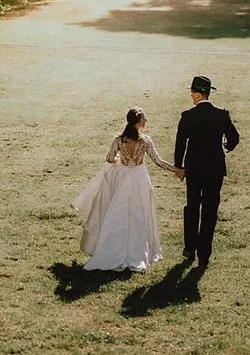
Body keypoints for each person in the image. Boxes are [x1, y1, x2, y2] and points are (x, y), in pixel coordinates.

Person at [73, 107, 177, 272]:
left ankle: (112, 248)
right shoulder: (145, 141)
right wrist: (176, 170)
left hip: (122, 179)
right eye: (144, 118)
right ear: (138, 121)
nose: (146, 120)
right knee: (140, 213)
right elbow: (158, 161)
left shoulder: (119, 140)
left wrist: (118, 160)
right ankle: (138, 251)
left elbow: (109, 158)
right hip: (139, 178)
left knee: (118, 212)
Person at [174, 76, 239, 267]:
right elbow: (234, 138)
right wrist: (226, 146)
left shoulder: (188, 116)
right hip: (215, 168)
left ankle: (189, 248)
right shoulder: (221, 115)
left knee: (192, 207)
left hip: (194, 168)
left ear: (196, 94)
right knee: (210, 210)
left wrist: (179, 166)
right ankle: (204, 253)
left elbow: (180, 143)